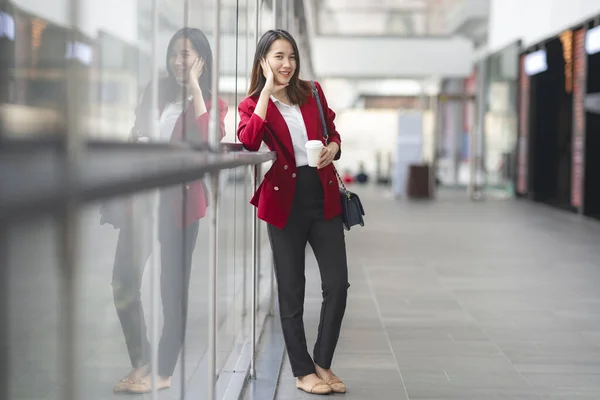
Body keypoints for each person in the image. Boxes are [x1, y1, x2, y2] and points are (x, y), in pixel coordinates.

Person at [110, 27, 227, 394]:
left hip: (180, 205)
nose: (179, 60)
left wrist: (194, 88)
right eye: (175, 53)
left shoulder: (212, 103)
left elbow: (207, 142)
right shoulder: (152, 92)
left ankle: (164, 369)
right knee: (123, 280)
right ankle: (142, 359)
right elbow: (136, 131)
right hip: (143, 202)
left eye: (188, 54)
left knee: (172, 290)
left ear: (202, 61)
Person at [237, 29, 349, 395]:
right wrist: (266, 92)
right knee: (292, 289)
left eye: (292, 57)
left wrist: (333, 147)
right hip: (284, 201)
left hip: (323, 196)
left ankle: (322, 362)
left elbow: (332, 131)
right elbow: (249, 140)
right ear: (264, 62)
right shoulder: (253, 104)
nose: (287, 64)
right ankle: (302, 372)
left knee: (337, 284)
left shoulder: (312, 92)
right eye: (279, 57)